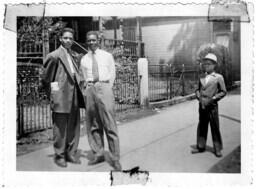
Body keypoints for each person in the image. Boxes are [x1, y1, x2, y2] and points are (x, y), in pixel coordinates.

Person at [41, 28, 85, 167]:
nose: (68, 40)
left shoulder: (73, 55)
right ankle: (59, 155)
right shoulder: (54, 56)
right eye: (65, 38)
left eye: (71, 38)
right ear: (60, 39)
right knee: (60, 128)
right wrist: (54, 94)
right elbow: (46, 79)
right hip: (61, 97)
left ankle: (71, 153)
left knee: (74, 126)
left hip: (74, 96)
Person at [80, 31, 121, 171]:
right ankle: (99, 153)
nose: (91, 42)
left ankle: (115, 158)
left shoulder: (107, 56)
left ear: (98, 40)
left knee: (109, 123)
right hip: (90, 89)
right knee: (94, 124)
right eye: (88, 40)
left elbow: (112, 73)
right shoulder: (84, 59)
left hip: (104, 87)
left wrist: (106, 87)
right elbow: (84, 76)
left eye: (93, 40)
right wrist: (88, 90)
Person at [191, 53, 227, 157]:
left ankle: (218, 149)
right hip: (202, 106)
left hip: (212, 107)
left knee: (214, 127)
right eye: (205, 64)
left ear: (214, 65)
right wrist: (198, 95)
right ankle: (201, 146)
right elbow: (197, 89)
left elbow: (223, 92)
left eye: (209, 64)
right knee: (202, 126)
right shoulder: (202, 76)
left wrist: (214, 98)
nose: (206, 65)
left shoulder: (218, 77)